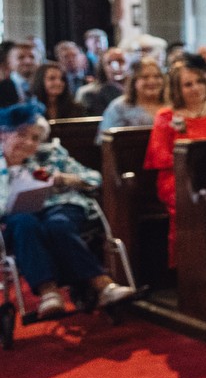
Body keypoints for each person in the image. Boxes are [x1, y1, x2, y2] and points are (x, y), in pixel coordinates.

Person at [0, 103, 134, 318]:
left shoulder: (50, 155)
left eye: (35, 138)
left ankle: (103, 286)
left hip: (59, 206)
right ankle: (48, 292)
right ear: (3, 134)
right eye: (22, 135)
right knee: (25, 223)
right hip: (16, 219)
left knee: (57, 224)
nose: (29, 143)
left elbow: (94, 178)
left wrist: (65, 179)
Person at [144, 54, 206, 257]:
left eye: (199, 82)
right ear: (177, 89)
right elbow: (160, 155)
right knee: (189, 200)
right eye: (188, 84)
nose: (196, 88)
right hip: (178, 176)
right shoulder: (166, 116)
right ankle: (188, 262)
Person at [97, 56, 166, 144]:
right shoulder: (118, 107)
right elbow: (105, 142)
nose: (152, 81)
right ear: (134, 81)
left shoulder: (171, 105)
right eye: (145, 77)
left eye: (157, 76)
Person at [76, 46, 128, 116]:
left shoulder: (138, 90)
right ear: (103, 67)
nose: (116, 66)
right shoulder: (91, 94)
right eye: (110, 63)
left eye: (120, 61)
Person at [0, 41, 38, 106]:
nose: (28, 61)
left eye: (32, 57)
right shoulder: (2, 88)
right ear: (9, 62)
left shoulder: (43, 84)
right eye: (21, 57)